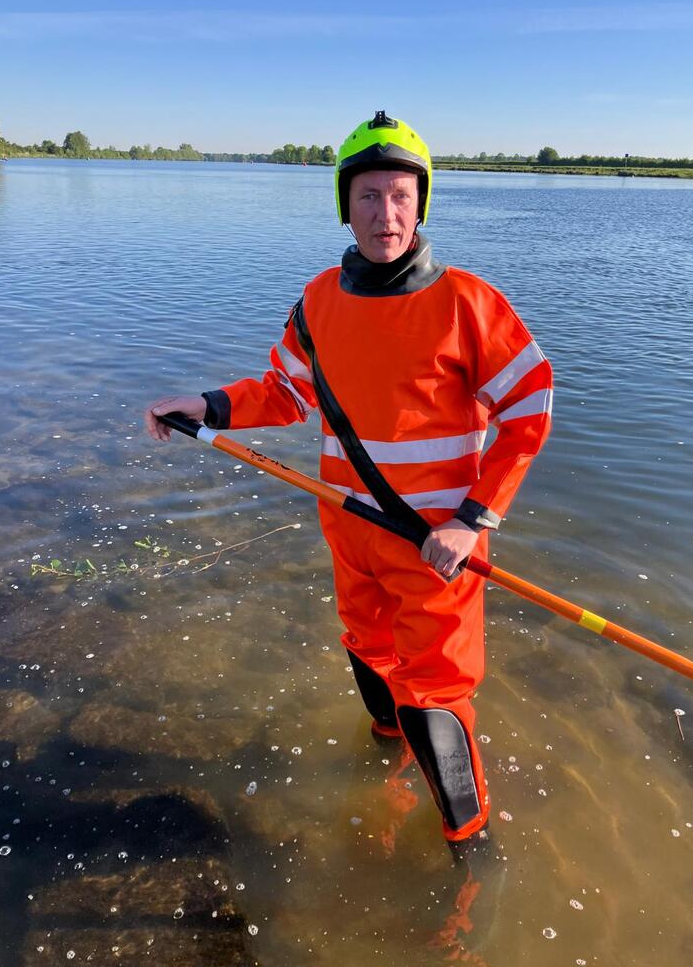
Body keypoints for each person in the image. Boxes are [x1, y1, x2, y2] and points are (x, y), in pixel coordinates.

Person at [145, 111, 553, 847]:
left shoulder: (468, 304)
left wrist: (472, 520)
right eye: (368, 195)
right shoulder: (319, 301)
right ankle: (384, 764)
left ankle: (469, 848)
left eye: (400, 196)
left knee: (435, 694)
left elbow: (529, 410)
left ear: (420, 204)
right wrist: (206, 405)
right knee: (368, 653)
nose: (385, 214)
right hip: (351, 530)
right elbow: (286, 392)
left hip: (436, 546)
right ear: (345, 203)